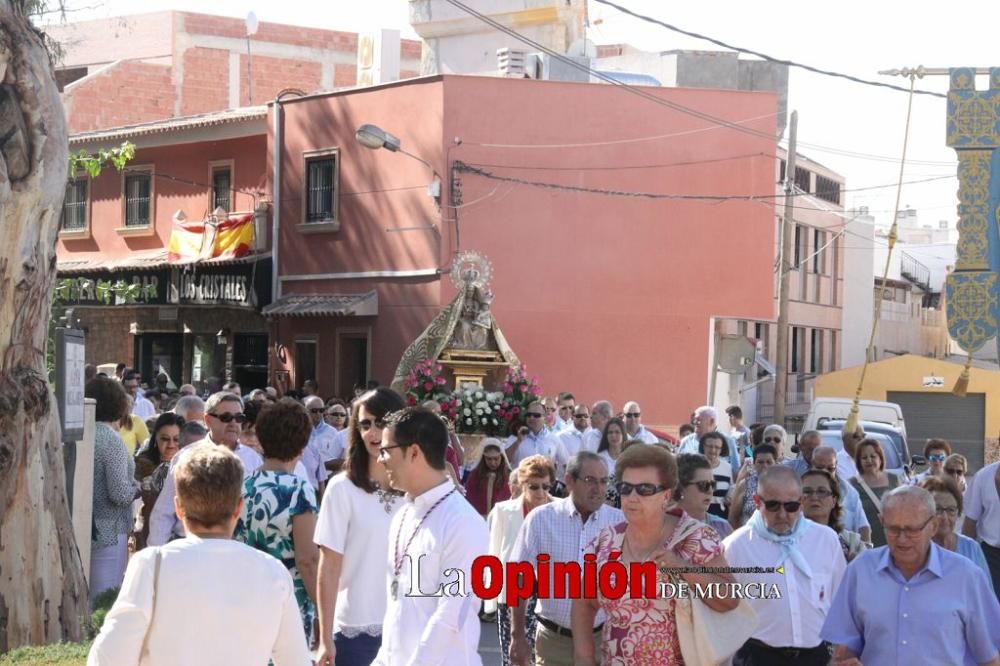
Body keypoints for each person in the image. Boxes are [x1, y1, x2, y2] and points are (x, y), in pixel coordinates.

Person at [87, 446, 310, 665]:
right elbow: (296, 660)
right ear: (238, 508)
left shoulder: (151, 565)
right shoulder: (273, 572)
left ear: (179, 508)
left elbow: (109, 655)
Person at [573, 444, 739, 665]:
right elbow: (584, 602)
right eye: (625, 488)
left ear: (667, 495)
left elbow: (729, 599)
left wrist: (682, 568)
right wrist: (584, 657)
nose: (632, 497)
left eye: (645, 489)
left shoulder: (696, 539)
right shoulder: (606, 542)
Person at [821, 486, 1000, 666]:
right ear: (882, 521)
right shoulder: (861, 570)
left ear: (933, 526)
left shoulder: (966, 576)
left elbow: (989, 657)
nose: (902, 539)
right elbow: (844, 648)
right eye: (893, 529)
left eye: (912, 530)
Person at [373, 406, 488, 665]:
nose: (380, 459)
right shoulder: (403, 515)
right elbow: (399, 607)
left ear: (414, 452)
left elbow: (451, 614)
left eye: (386, 450)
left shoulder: (463, 522)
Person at [315, 388, 406, 666]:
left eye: (381, 422)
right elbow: (328, 567)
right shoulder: (342, 488)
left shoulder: (417, 490)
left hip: (409, 628)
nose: (373, 432)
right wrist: (324, 639)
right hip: (355, 632)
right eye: (365, 424)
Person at [508, 451, 624, 666]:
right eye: (590, 480)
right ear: (569, 481)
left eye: (603, 481)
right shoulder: (541, 519)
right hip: (553, 642)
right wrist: (517, 636)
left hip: (601, 641)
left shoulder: (619, 523)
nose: (599, 489)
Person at [723, 465, 846, 666]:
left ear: (801, 502)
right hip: (757, 656)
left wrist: (840, 653)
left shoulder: (826, 540)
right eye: (772, 506)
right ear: (756, 502)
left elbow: (841, 601)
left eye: (791, 507)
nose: (782, 514)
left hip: (815, 656)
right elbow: (724, 612)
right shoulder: (736, 546)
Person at [234, 399, 319, 651]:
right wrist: (326, 609)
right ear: (302, 444)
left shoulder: (243, 484)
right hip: (288, 599)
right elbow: (307, 560)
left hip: (245, 593)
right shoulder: (299, 489)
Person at [148, 391, 262, 546]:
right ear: (208, 420)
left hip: (236, 550)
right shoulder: (186, 456)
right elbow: (164, 512)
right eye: (226, 417)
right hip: (189, 548)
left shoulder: (253, 459)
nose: (233, 423)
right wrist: (157, 557)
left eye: (239, 418)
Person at [486, 455, 556, 665]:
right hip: (513, 596)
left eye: (546, 486)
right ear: (523, 485)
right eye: (534, 487)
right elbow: (494, 554)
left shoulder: (561, 509)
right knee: (514, 657)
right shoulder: (503, 511)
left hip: (551, 596)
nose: (541, 493)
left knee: (546, 658)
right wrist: (491, 600)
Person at [85, 376, 139, 606]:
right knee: (103, 601)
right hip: (108, 531)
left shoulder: (82, 430)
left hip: (83, 525)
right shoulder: (112, 440)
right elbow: (119, 493)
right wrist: (139, 488)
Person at [921, 476, 993, 586]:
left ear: (958, 513)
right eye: (938, 509)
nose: (944, 518)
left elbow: (986, 594)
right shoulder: (916, 549)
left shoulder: (971, 548)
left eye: (951, 510)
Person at [133, 413, 184, 551]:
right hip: (148, 534)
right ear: (155, 439)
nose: (171, 445)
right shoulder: (142, 465)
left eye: (176, 439)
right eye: (165, 439)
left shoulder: (192, 465)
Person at [801, 469, 865, 562]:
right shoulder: (785, 541)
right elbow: (774, 571)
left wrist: (853, 567)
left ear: (834, 501)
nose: (814, 497)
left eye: (822, 491)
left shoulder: (853, 545)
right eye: (807, 491)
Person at [811, 446, 872, 544]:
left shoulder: (850, 492)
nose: (825, 472)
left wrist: (864, 551)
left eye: (830, 469)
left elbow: (864, 527)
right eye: (820, 468)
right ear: (812, 465)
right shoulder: (799, 490)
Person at [849, 437, 901, 547]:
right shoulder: (852, 485)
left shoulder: (894, 479)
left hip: (894, 541)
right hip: (867, 544)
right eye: (864, 457)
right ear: (859, 461)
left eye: (873, 456)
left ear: (880, 458)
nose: (869, 460)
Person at [963, 456, 1000, 600]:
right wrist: (967, 557)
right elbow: (970, 521)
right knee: (991, 601)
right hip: (990, 555)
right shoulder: (983, 477)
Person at [676, 453, 732, 538]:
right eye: (703, 485)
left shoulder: (723, 527)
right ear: (681, 487)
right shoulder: (661, 526)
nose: (710, 491)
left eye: (713, 484)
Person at [504, 400, 567, 469]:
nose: (531, 418)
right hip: (521, 479)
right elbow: (504, 461)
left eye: (536, 415)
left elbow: (565, 463)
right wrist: (518, 442)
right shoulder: (515, 437)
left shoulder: (554, 439)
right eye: (528, 415)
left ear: (545, 418)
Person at [728, 443, 778, 529]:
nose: (765, 466)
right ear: (754, 464)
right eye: (760, 462)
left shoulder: (783, 486)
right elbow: (733, 517)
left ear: (776, 463)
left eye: (769, 462)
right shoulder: (745, 485)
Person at [464, 439, 512, 517]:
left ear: (501, 457)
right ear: (484, 458)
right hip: (479, 518)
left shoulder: (508, 476)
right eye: (489, 459)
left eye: (496, 459)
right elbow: (469, 498)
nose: (492, 462)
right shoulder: (474, 475)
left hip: (501, 519)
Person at [302, 395, 336, 491]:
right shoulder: (300, 432)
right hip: (307, 480)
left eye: (321, 410)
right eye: (314, 411)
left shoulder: (333, 432)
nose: (318, 414)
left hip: (328, 479)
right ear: (305, 411)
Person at [699, 431, 732, 519]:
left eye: (717, 447)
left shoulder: (728, 468)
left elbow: (731, 492)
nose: (713, 450)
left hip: (720, 517)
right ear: (703, 446)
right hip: (698, 515)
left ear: (721, 449)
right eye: (710, 446)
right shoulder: (695, 466)